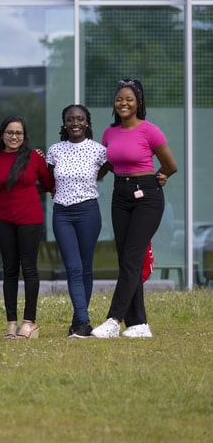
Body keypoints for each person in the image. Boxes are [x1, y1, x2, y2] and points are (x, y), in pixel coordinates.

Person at [91, 79, 177, 339]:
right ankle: (139, 324)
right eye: (119, 99)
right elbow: (106, 164)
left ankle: (114, 319)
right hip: (120, 195)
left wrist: (160, 177)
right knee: (127, 259)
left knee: (131, 257)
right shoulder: (109, 132)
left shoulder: (150, 130)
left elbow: (170, 165)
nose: (123, 103)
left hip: (147, 196)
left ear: (139, 102)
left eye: (129, 99)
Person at [0, 116, 54, 340]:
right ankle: (12, 324)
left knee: (29, 269)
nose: (14, 137)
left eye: (19, 133)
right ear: (1, 134)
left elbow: (50, 184)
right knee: (9, 271)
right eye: (10, 132)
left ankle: (29, 323)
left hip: (30, 220)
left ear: (24, 136)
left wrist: (33, 185)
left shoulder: (33, 157)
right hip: (5, 221)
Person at [46, 105, 108, 338]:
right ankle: (83, 321)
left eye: (80, 119)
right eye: (70, 119)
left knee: (85, 267)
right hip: (62, 213)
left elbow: (105, 171)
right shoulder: (55, 150)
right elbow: (49, 178)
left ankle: (77, 319)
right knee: (73, 267)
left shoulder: (98, 150)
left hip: (88, 211)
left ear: (87, 123)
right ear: (64, 123)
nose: (75, 123)